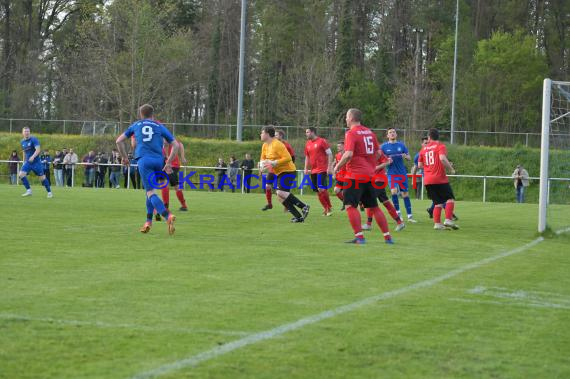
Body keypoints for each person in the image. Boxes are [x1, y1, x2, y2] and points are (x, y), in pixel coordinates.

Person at [116, 103, 178, 235]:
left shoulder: (136, 125)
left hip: (144, 160)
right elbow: (175, 144)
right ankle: (148, 222)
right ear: (152, 114)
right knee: (150, 191)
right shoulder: (159, 126)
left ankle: (167, 216)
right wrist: (168, 162)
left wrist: (124, 157)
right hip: (158, 160)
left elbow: (119, 141)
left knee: (150, 192)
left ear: (140, 114)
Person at [334, 109, 393, 244]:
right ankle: (387, 237)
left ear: (351, 118)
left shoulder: (351, 133)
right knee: (374, 206)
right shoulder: (370, 132)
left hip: (354, 175)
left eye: (346, 117)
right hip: (370, 175)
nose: (346, 120)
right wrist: (370, 163)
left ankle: (359, 237)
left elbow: (348, 154)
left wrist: (337, 167)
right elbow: (378, 152)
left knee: (350, 206)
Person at [260, 125, 310, 222]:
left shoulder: (277, 144)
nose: (260, 134)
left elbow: (288, 158)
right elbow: (263, 158)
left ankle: (304, 206)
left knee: (280, 192)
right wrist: (262, 166)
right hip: (279, 172)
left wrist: (274, 162)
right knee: (280, 197)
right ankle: (298, 217)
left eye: (262, 133)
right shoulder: (265, 145)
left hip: (288, 170)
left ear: (267, 134)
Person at [418, 128, 459, 230]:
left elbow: (419, 165)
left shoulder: (423, 149)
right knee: (449, 198)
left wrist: (429, 167)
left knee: (437, 202)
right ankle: (448, 220)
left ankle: (437, 224)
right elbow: (442, 158)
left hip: (428, 180)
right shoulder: (440, 146)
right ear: (438, 136)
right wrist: (451, 168)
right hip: (439, 178)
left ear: (429, 137)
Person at [362, 150, 406, 232]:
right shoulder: (365, 152)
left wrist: (375, 168)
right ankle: (400, 222)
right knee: (385, 202)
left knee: (369, 199)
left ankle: (368, 224)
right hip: (372, 180)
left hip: (380, 180)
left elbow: (387, 161)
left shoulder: (377, 151)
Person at [381, 128, 417, 223]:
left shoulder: (401, 145)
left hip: (402, 173)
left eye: (393, 132)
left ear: (396, 134)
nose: (392, 134)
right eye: (390, 133)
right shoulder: (384, 147)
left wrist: (405, 156)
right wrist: (386, 161)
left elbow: (409, 157)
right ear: (387, 136)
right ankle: (398, 213)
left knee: (404, 193)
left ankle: (410, 216)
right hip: (391, 173)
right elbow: (379, 158)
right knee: (394, 191)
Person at [304, 127, 334, 216]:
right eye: (306, 132)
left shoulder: (322, 141)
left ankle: (328, 208)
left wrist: (329, 167)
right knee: (318, 190)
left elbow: (330, 154)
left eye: (307, 132)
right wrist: (306, 168)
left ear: (313, 132)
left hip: (322, 169)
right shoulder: (308, 144)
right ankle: (327, 207)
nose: (306, 134)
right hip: (313, 170)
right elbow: (307, 157)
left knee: (321, 188)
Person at [18, 127, 53, 198]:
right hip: (28, 162)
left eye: (28, 131)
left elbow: (38, 150)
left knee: (42, 178)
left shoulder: (34, 139)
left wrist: (33, 157)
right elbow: (24, 152)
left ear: (29, 132)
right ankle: (29, 191)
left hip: (36, 162)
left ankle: (49, 192)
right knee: (21, 175)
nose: (26, 133)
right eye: (25, 131)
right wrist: (24, 161)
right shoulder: (22, 141)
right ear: (22, 133)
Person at [160, 140, 188, 211]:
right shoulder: (171, 138)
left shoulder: (163, 137)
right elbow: (180, 144)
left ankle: (165, 207)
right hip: (173, 164)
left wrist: (167, 159)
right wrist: (182, 157)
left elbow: (166, 144)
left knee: (164, 183)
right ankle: (183, 205)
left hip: (169, 164)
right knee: (175, 185)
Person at [333, 141, 347, 211]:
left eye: (339, 146)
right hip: (340, 177)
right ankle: (344, 203)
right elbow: (335, 164)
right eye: (337, 146)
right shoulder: (337, 155)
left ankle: (360, 202)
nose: (338, 147)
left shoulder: (348, 155)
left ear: (344, 146)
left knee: (347, 193)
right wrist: (334, 173)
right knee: (336, 190)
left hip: (348, 177)